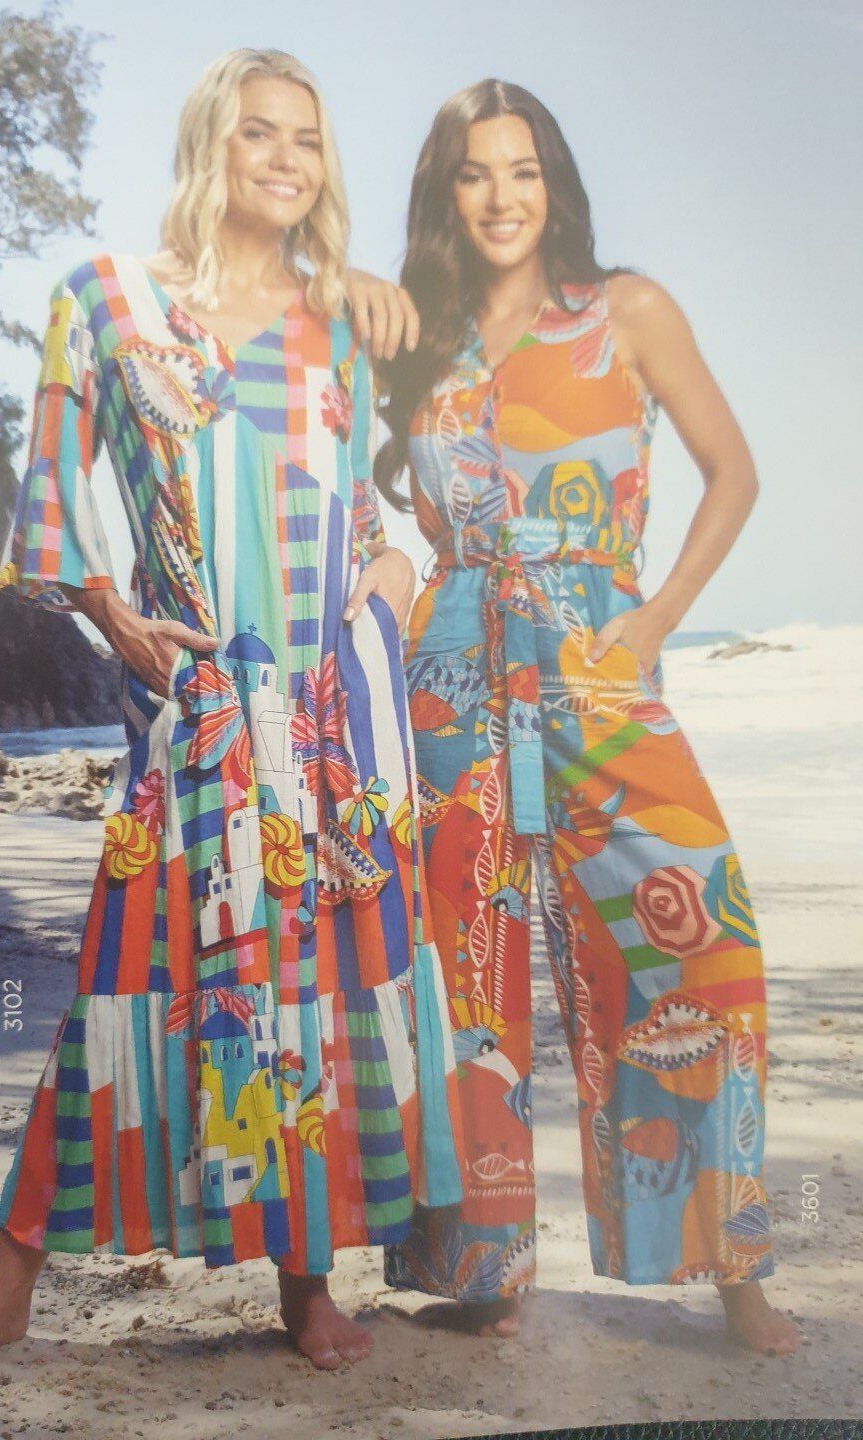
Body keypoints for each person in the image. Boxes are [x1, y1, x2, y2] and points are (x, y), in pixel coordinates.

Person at [0, 47, 464, 1381]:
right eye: (258, 133)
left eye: (307, 140)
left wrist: (376, 616)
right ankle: (6, 1288)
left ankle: (305, 1290)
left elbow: (371, 524)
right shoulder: (107, 301)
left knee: (306, 999)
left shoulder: (335, 330)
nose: (285, 158)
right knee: (121, 987)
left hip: (324, 728)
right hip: (190, 713)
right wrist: (107, 609)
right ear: (211, 145)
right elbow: (47, 496)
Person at [358, 78, 801, 1355]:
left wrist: (656, 618)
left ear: (556, 185)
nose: (502, 197)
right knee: (464, 973)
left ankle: (733, 1264)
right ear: (446, 193)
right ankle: (478, 1264)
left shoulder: (627, 311)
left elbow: (735, 471)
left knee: (695, 948)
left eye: (524, 170)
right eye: (474, 174)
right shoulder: (415, 338)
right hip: (452, 673)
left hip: (600, 667)